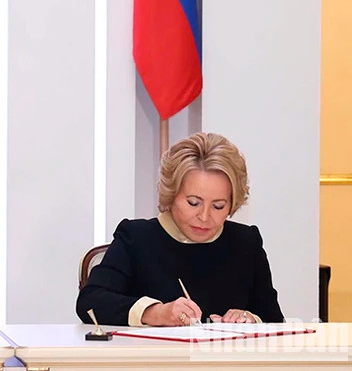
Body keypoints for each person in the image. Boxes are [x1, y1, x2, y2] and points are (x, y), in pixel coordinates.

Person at [76, 132, 284, 326]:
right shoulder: (136, 238)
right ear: (171, 194)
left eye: (218, 206)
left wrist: (249, 319)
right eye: (193, 203)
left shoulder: (246, 242)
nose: (204, 217)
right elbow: (90, 302)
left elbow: (273, 317)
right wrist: (156, 312)